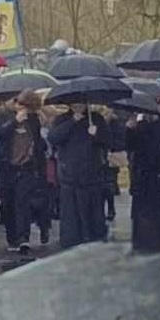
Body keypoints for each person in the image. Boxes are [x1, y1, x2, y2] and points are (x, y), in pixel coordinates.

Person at [47, 102, 110, 250]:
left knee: (93, 208)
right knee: (71, 210)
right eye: (74, 104)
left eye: (80, 104)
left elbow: (107, 141)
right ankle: (71, 239)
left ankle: (95, 237)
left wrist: (97, 135)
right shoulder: (62, 119)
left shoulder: (96, 119)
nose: (78, 107)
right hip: (69, 172)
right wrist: (72, 122)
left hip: (91, 172)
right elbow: (54, 138)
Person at [0, 89, 48, 254]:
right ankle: (12, 238)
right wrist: (14, 122)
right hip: (7, 167)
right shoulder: (2, 114)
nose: (24, 110)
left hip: (27, 167)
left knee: (23, 203)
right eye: (22, 105)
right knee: (8, 203)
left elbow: (39, 142)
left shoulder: (33, 119)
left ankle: (23, 238)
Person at [125, 107, 160, 253]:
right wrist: (129, 130)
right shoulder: (139, 127)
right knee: (142, 212)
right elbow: (129, 146)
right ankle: (142, 243)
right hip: (142, 177)